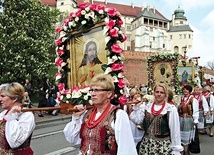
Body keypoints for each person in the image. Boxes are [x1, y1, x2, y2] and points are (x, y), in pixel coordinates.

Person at [63, 73, 137, 155]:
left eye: (97, 90)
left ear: (109, 94)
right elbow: (72, 139)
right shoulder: (87, 114)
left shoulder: (118, 115)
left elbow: (126, 148)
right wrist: (76, 118)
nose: (93, 94)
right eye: (91, 90)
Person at [130, 83, 183, 154]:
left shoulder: (170, 109)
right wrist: (137, 108)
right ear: (154, 93)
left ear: (165, 94)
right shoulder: (147, 107)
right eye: (157, 92)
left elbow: (175, 130)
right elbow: (137, 121)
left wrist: (176, 148)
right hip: (146, 145)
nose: (159, 94)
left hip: (162, 146)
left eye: (162, 92)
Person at [0, 82, 35, 154]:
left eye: (3, 96)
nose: (0, 99)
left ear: (14, 98)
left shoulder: (27, 116)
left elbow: (14, 143)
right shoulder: (3, 114)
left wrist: (11, 117)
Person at [178, 85, 199, 155]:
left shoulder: (193, 100)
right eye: (184, 89)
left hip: (188, 120)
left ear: (189, 91)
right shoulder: (181, 98)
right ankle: (182, 150)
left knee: (186, 136)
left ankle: (186, 151)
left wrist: (196, 120)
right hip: (180, 119)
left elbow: (195, 110)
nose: (185, 91)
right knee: (180, 135)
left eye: (186, 89)